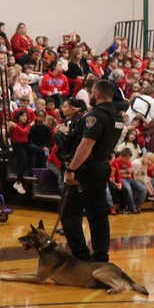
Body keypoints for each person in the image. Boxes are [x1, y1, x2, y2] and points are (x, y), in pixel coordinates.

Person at [63, 79, 125, 262]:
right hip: (103, 166)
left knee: (69, 211)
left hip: (87, 169)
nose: (89, 95)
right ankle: (100, 255)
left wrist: (71, 169)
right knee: (98, 213)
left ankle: (80, 255)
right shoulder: (117, 116)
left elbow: (87, 144)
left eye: (91, 92)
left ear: (96, 94)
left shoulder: (96, 115)